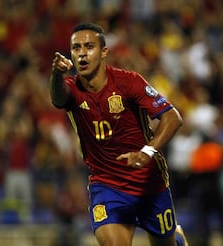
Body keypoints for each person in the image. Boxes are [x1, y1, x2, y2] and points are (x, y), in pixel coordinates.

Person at [49, 22, 188, 246]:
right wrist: (56, 73)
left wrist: (146, 153)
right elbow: (57, 98)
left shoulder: (129, 82)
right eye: (76, 48)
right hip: (107, 186)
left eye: (89, 46)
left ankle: (176, 240)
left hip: (148, 183)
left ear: (104, 52)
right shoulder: (72, 90)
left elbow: (173, 118)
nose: (82, 54)